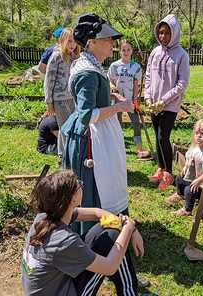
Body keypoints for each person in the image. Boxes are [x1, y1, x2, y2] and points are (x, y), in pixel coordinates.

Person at [62, 13, 136, 236]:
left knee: (106, 181)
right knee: (95, 184)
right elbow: (86, 114)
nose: (112, 43)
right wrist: (119, 108)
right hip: (90, 139)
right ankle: (94, 236)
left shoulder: (91, 65)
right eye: (107, 39)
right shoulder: (87, 72)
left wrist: (111, 98)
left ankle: (108, 228)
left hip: (96, 133)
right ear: (91, 43)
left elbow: (94, 99)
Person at [21, 170, 140, 296]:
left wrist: (129, 228)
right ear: (72, 199)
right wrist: (128, 228)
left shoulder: (45, 216)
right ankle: (129, 292)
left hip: (51, 286)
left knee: (111, 231)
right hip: (64, 290)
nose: (80, 184)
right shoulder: (64, 241)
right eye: (78, 185)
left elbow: (97, 213)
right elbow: (110, 267)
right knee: (115, 236)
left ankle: (129, 292)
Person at [144, 14, 190, 189]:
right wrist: (148, 97)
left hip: (169, 104)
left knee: (164, 136)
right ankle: (160, 168)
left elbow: (182, 83)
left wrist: (163, 100)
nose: (163, 36)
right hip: (153, 103)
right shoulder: (155, 52)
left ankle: (169, 173)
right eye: (160, 33)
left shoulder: (181, 55)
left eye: (166, 33)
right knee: (157, 136)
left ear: (174, 34)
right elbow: (148, 76)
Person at [108, 40, 150, 159]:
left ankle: (139, 149)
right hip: (116, 101)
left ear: (132, 51)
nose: (126, 52)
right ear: (120, 51)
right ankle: (118, 148)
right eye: (123, 50)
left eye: (128, 50)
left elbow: (136, 84)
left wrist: (136, 99)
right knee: (117, 124)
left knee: (136, 123)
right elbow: (110, 81)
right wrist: (113, 87)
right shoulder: (114, 66)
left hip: (130, 100)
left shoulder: (135, 67)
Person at [165, 119, 203, 216]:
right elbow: (188, 157)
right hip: (192, 178)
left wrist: (199, 180)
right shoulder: (194, 148)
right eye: (197, 133)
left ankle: (187, 210)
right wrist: (185, 167)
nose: (199, 136)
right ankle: (180, 194)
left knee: (189, 190)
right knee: (179, 179)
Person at [44, 28, 80, 159]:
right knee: (65, 128)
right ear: (62, 41)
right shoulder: (56, 56)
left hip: (72, 98)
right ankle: (67, 157)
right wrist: (49, 102)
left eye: (74, 41)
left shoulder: (75, 57)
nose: (72, 44)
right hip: (59, 99)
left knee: (69, 126)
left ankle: (62, 155)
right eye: (69, 41)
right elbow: (49, 80)